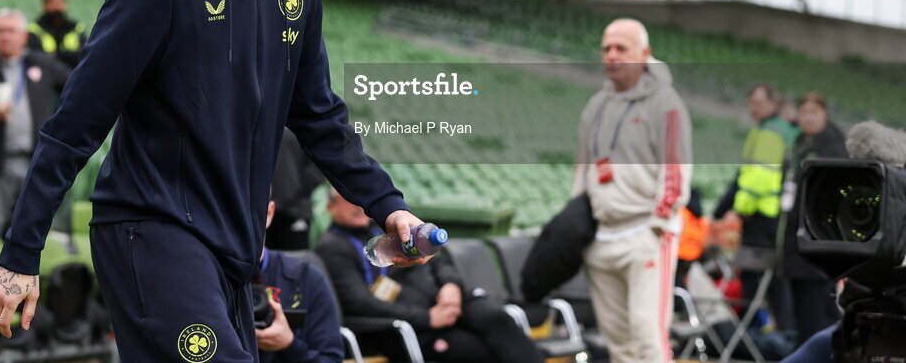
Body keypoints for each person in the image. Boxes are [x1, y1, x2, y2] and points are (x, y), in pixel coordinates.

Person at [0, 0, 431, 361]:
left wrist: (389, 206)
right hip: (151, 232)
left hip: (235, 246)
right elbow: (74, 125)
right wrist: (20, 255)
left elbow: (319, 117)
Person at [571, 18, 692, 363]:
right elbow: (583, 168)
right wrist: (579, 222)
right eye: (606, 48)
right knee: (618, 343)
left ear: (644, 53)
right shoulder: (595, 106)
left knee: (648, 337)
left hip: (645, 233)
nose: (611, 55)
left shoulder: (666, 104)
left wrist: (658, 223)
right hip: (602, 237)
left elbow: (675, 170)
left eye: (621, 48)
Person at [316, 189, 543, 363]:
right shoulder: (333, 247)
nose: (356, 205)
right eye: (346, 199)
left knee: (499, 319)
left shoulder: (383, 228)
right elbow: (360, 303)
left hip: (447, 301)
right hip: (410, 325)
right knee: (480, 350)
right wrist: (429, 317)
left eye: (358, 198)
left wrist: (450, 287)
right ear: (330, 207)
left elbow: (436, 262)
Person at [0, 9, 70, 236]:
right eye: (0, 31)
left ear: (24, 36)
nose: (5, 36)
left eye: (11, 31)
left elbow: (76, 87)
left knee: (34, 230)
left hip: (35, 162)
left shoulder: (44, 65)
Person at [713, 83, 798, 331]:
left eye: (758, 103)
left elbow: (760, 176)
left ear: (773, 103)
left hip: (761, 216)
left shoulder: (770, 132)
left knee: (755, 278)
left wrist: (742, 208)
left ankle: (750, 334)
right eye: (750, 103)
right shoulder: (771, 129)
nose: (753, 108)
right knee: (771, 281)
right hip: (768, 215)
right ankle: (776, 333)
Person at [778, 92, 845, 345]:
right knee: (800, 320)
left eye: (814, 113)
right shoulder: (798, 145)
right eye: (804, 112)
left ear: (825, 115)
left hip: (817, 244)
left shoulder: (835, 147)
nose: (808, 118)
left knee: (816, 319)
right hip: (794, 241)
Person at [257, 196, 343, 363]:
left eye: (248, 208)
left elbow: (331, 359)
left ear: (268, 212)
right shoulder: (201, 279)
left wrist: (289, 345)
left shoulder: (306, 278)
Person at [266, 128, 324, 250]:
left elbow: (319, 166)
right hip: (264, 211)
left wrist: (296, 188)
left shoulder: (304, 125)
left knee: (295, 263)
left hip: (296, 211)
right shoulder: (261, 123)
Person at [27, 0, 88, 69]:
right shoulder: (34, 29)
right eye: (52, 2)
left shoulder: (77, 28)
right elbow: (34, 56)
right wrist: (68, 56)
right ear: (44, 5)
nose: (57, 7)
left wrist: (54, 55)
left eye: (60, 2)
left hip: (72, 76)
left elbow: (84, 55)